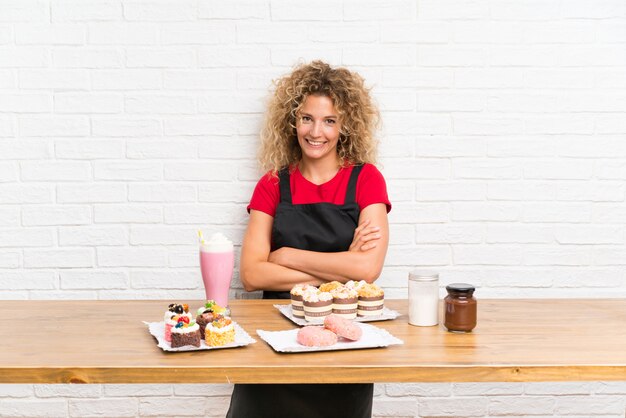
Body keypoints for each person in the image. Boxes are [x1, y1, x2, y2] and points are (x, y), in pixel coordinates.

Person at [226, 60, 391, 418]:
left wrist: (284, 255)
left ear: (344, 125)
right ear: (292, 121)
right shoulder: (273, 183)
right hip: (274, 338)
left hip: (343, 340)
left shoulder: (366, 179)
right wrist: (340, 274)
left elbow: (368, 268)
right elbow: (253, 276)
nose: (317, 131)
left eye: (329, 120)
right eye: (307, 118)